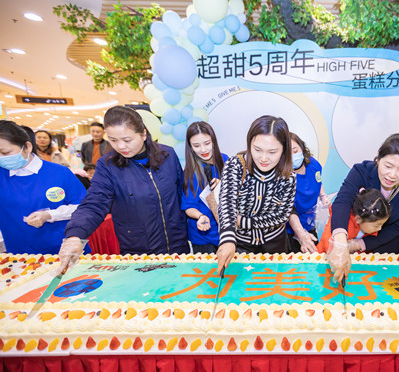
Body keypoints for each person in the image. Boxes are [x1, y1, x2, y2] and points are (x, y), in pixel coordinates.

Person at [59, 106, 189, 271]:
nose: (120, 146)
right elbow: (94, 203)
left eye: (127, 140)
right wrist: (75, 234)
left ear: (143, 134)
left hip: (178, 245)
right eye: (113, 140)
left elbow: (182, 194)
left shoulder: (167, 155)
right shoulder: (108, 165)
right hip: (139, 250)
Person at [328, 133, 399, 283]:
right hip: (350, 235)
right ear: (378, 157)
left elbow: (396, 227)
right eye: (388, 166)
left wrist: (359, 244)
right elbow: (342, 202)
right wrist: (340, 242)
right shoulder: (361, 171)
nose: (392, 175)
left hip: (383, 245)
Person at [216, 115, 296, 273]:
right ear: (249, 144)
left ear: (283, 150)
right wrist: (227, 238)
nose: (263, 158)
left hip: (275, 245)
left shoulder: (288, 176)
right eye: (257, 150)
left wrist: (242, 221)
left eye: (272, 152)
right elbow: (227, 202)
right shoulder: (235, 165)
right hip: (240, 245)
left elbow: (282, 216)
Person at [0, 120, 86, 254]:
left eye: (5, 153)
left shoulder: (59, 173)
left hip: (63, 250)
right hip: (19, 254)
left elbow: (83, 207)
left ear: (27, 147)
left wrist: (49, 215)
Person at [182, 121, 228, 254]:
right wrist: (200, 216)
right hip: (203, 238)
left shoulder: (226, 160)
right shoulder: (190, 171)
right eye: (196, 145)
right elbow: (188, 206)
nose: (203, 150)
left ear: (214, 141)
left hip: (227, 232)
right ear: (190, 147)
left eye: (207, 143)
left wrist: (223, 187)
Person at [287, 133, 330, 253]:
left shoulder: (313, 165)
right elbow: (290, 211)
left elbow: (317, 180)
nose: (293, 156)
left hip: (310, 224)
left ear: (302, 147)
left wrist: (323, 196)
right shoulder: (285, 179)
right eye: (288, 154)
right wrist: (301, 234)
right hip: (291, 230)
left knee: (315, 258)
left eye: (295, 151)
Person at [317, 189, 390, 253]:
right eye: (376, 225)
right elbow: (328, 243)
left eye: (382, 225)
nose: (380, 228)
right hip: (323, 259)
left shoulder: (370, 229)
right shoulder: (342, 223)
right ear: (358, 219)